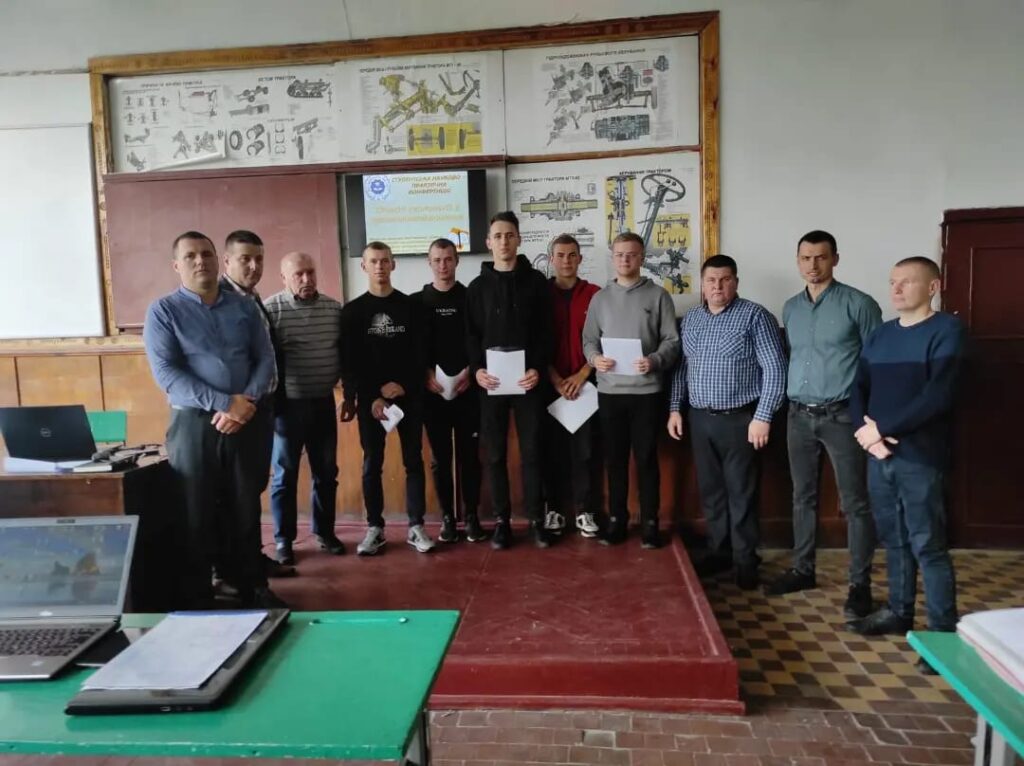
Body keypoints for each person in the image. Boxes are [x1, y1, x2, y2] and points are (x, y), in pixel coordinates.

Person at [143, 230, 284, 609]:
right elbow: (167, 374)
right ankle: (199, 594)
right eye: (190, 256)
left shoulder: (243, 307)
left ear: (217, 259)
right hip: (194, 425)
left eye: (206, 254)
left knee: (245, 506)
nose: (200, 261)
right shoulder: (164, 311)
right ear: (176, 265)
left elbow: (265, 358)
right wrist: (225, 403)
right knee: (197, 509)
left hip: (246, 421)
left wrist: (246, 403)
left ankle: (250, 585)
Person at [848, 257, 965, 672]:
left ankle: (942, 636)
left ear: (933, 287)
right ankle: (899, 612)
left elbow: (938, 396)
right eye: (892, 282)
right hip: (878, 455)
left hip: (920, 457)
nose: (896, 290)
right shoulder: (880, 334)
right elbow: (857, 388)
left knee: (927, 544)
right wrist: (868, 435)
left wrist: (881, 430)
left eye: (907, 282)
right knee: (894, 539)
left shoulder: (947, 330)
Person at [766, 230, 881, 621]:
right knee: (803, 496)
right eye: (805, 258)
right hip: (798, 415)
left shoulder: (859, 304)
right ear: (797, 261)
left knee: (854, 502)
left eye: (820, 257)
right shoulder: (791, 308)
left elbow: (876, 362)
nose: (812, 265)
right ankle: (803, 570)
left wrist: (871, 417)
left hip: (843, 415)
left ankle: (859, 585)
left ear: (835, 259)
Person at [668, 254, 786, 589]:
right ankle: (719, 553)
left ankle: (746, 560)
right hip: (699, 419)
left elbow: (775, 369)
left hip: (741, 420)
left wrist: (763, 416)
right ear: (702, 284)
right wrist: (675, 408)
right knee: (712, 493)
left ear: (736, 282)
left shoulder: (755, 316)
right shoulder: (692, 319)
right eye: (711, 280)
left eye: (725, 280)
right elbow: (682, 368)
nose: (717, 286)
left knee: (741, 493)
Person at [582, 232, 679, 548]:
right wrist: (595, 359)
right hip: (610, 392)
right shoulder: (600, 298)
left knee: (647, 459)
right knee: (615, 460)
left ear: (642, 258)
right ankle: (617, 520)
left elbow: (672, 341)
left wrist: (654, 360)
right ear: (613, 258)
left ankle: (650, 522)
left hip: (647, 392)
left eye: (632, 254)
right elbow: (589, 340)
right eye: (620, 254)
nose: (625, 259)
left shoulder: (659, 296)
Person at [340, 241, 434, 556]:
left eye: (385, 261)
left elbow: (421, 354)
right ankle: (375, 529)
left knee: (413, 461)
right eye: (374, 261)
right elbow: (350, 362)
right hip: (372, 402)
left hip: (408, 396)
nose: (380, 267)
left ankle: (416, 526)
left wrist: (403, 385)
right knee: (372, 464)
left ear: (393, 265)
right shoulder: (352, 312)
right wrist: (371, 397)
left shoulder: (411, 307)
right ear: (363, 266)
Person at [466, 211, 552, 549]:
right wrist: (476, 370)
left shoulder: (537, 283)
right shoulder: (476, 288)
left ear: (519, 239)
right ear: (489, 242)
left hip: (529, 380)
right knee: (495, 454)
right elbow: (470, 336)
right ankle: (502, 522)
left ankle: (537, 520)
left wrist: (538, 368)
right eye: (498, 236)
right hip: (491, 382)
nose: (504, 241)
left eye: (509, 235)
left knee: (533, 451)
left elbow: (547, 332)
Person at [216, 229, 294, 582]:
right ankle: (238, 571)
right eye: (245, 259)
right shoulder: (219, 301)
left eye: (259, 259)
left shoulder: (251, 297)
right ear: (227, 261)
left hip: (262, 409)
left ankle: (252, 558)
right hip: (236, 412)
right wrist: (243, 402)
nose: (253, 266)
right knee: (237, 494)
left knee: (252, 489)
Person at [264, 252, 346, 564]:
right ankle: (283, 540)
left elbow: (344, 353)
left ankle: (325, 532)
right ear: (284, 277)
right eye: (298, 274)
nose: (306, 279)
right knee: (285, 475)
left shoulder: (333, 309)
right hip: (287, 407)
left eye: (310, 272)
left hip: (323, 402)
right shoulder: (271, 309)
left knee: (326, 472)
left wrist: (348, 394)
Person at [413, 238, 485, 544]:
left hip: (469, 389)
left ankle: (472, 517)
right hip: (433, 393)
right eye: (437, 260)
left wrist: (473, 369)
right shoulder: (416, 302)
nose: (443, 265)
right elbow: (412, 347)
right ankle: (447, 518)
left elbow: (482, 338)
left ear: (457, 261)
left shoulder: (471, 298)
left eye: (448, 259)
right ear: (429, 263)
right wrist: (424, 373)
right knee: (439, 458)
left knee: (470, 457)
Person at [543, 234, 602, 539]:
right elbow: (535, 341)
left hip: (586, 386)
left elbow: (604, 338)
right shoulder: (540, 294)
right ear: (551, 259)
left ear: (580, 259)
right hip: (548, 386)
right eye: (560, 255)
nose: (566, 261)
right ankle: (553, 509)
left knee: (586, 452)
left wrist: (582, 375)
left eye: (572, 255)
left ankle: (585, 510)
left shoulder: (595, 294)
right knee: (551, 451)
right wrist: (555, 379)